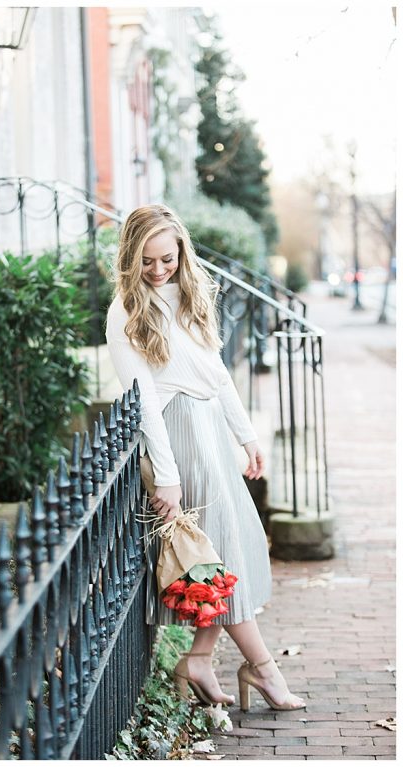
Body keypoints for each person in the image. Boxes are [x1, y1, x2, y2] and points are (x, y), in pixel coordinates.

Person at [105, 204, 303, 712]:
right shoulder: (126, 311)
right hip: (179, 436)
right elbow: (144, 402)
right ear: (130, 256)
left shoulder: (190, 293)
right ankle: (262, 668)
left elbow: (215, 372)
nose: (158, 270)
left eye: (167, 259)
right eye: (146, 260)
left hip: (210, 428)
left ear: (181, 253)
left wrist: (246, 435)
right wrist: (167, 475)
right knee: (219, 557)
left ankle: (199, 658)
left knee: (225, 551)